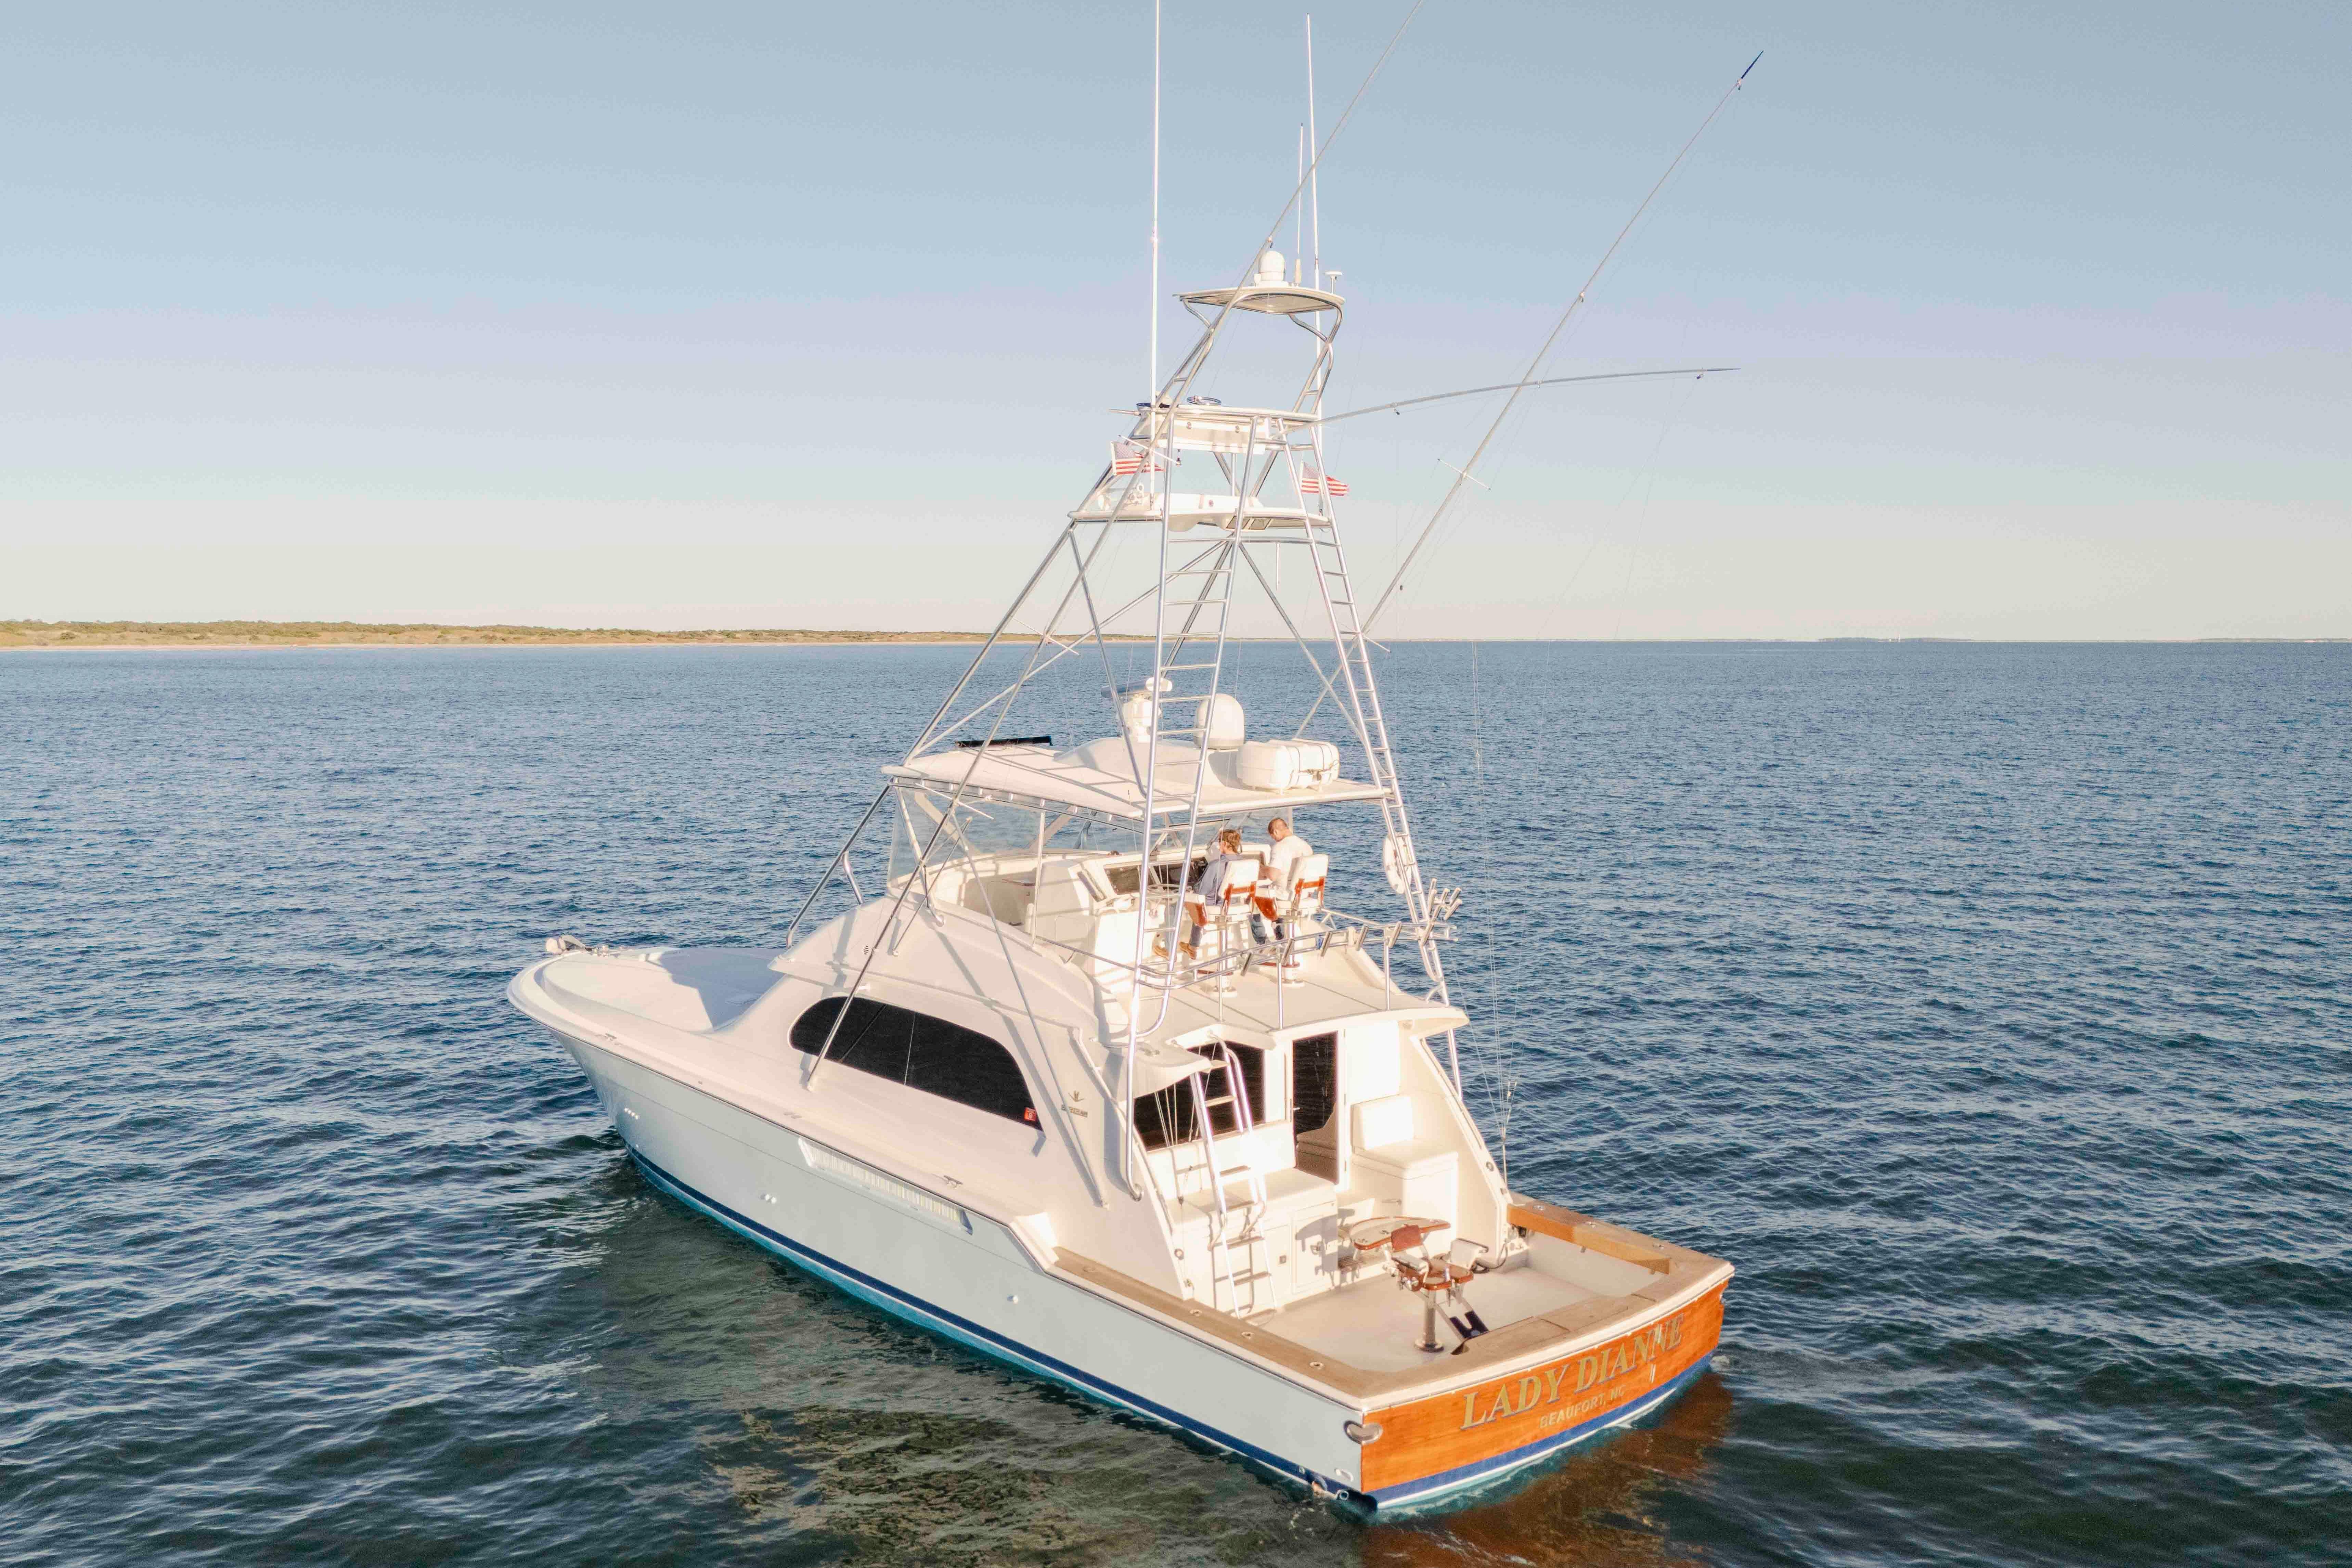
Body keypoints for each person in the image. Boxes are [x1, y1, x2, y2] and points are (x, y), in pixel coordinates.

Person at [1260, 817, 1313, 940]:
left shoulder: (1280, 847)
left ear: (1276, 832)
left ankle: (1265, 942)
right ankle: (1284, 936)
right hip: (1303, 894)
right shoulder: (1306, 846)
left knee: (1251, 897)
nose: (1274, 840)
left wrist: (1263, 869)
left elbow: (1273, 876)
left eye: (1273, 837)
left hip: (1285, 895)